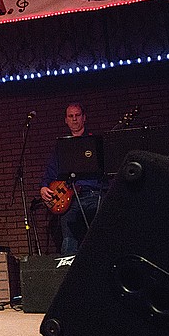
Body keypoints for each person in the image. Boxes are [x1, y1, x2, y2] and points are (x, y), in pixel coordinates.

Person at [39, 103, 105, 256]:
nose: (74, 119)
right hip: (71, 200)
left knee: (100, 237)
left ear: (84, 118)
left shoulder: (94, 142)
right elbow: (50, 172)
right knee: (69, 242)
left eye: (77, 115)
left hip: (94, 195)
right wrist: (43, 187)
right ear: (66, 120)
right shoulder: (60, 147)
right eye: (71, 116)